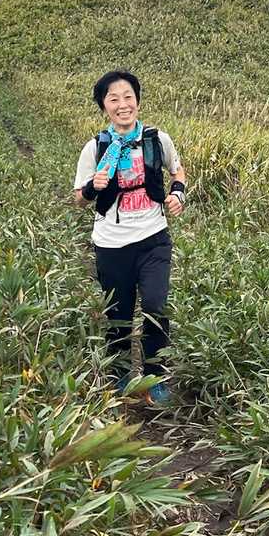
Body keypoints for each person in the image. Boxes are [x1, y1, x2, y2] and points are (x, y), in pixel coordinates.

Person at [73, 70, 187, 406]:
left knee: (156, 306)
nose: (123, 104)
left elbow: (177, 170)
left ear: (137, 100)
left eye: (128, 97)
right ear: (104, 107)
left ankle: (155, 377)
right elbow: (79, 199)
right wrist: (93, 186)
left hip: (153, 238)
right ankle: (121, 376)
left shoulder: (157, 139)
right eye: (113, 99)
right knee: (118, 315)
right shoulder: (95, 148)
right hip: (111, 244)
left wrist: (178, 193)